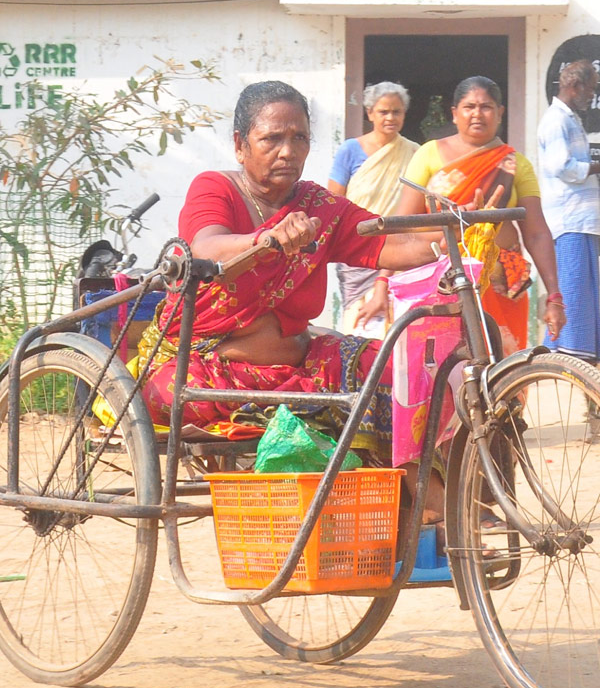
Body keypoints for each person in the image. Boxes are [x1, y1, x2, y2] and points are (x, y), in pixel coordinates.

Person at [140, 80, 480, 525]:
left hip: (303, 364)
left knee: (400, 373)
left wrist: (446, 229)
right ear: (241, 146)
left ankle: (434, 509)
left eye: (299, 138)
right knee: (179, 400)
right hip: (210, 368)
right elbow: (206, 246)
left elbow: (389, 242)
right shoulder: (214, 189)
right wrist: (265, 240)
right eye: (272, 138)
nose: (287, 151)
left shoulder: (319, 207)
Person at [360, 76, 566, 355]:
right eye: (469, 106)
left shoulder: (515, 164)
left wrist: (554, 296)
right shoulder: (428, 154)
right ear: (455, 114)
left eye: (486, 106)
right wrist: (382, 283)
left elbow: (537, 232)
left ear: (500, 113)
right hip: (439, 280)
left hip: (501, 284)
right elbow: (402, 227)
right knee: (438, 370)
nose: (477, 114)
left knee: (500, 375)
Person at [327, 82, 419, 338]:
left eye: (396, 112)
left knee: (399, 328)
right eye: (383, 112)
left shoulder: (415, 153)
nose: (390, 118)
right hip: (358, 251)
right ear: (370, 114)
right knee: (359, 325)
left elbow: (418, 208)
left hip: (401, 252)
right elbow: (334, 202)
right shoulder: (350, 150)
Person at [537, 60, 600, 363]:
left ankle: (582, 361)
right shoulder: (555, 121)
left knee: (585, 298)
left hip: (583, 222)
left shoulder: (570, 119)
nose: (592, 96)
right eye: (591, 89)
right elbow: (563, 167)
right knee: (572, 296)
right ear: (575, 86)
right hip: (568, 222)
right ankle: (564, 359)